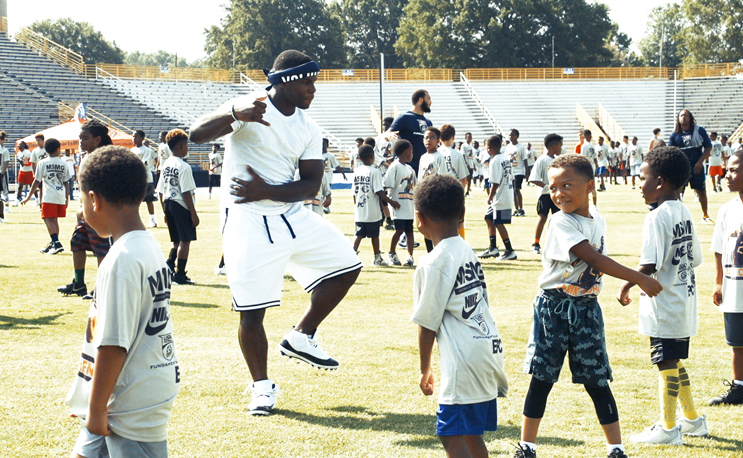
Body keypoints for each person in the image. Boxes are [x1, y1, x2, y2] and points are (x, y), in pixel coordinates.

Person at [189, 49, 362, 416]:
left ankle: (301, 335)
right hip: (247, 220)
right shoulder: (250, 107)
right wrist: (233, 114)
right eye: (306, 81)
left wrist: (267, 190)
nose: (312, 89)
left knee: (349, 265)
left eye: (314, 81)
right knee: (252, 313)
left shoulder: (308, 127)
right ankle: (261, 387)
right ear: (284, 81)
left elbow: (312, 185)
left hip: (291, 215)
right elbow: (196, 134)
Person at [514, 154, 663, 458]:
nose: (558, 194)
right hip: (553, 309)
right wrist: (639, 279)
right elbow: (594, 259)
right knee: (542, 377)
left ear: (590, 186)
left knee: (597, 379)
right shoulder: (559, 221)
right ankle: (526, 446)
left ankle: (615, 448)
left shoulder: (596, 217)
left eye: (567, 185)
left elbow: (594, 262)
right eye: (553, 188)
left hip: (586, 308)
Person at [66, 145, 179, 458]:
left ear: (94, 200)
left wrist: (97, 408)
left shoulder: (121, 260)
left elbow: (115, 344)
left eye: (80, 198)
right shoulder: (148, 246)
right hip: (132, 387)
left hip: (127, 402)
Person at [412, 174, 508, 458]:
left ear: (419, 217)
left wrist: (424, 368)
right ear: (463, 214)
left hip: (464, 361)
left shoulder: (432, 261)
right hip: (488, 349)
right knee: (470, 433)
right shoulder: (467, 250)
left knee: (450, 433)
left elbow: (427, 323)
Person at [618, 146, 708, 444]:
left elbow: (651, 262)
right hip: (685, 299)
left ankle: (668, 428)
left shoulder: (656, 217)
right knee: (674, 359)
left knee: (665, 362)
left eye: (642, 177)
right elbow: (695, 258)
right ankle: (693, 421)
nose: (638, 183)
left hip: (664, 302)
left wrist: (628, 282)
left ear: (659, 182)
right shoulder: (684, 210)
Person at [57, 120, 113, 299]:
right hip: (85, 212)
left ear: (97, 139)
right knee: (77, 244)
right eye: (80, 138)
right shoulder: (87, 156)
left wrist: (94, 206)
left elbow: (103, 186)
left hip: (98, 211)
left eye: (85, 138)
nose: (81, 141)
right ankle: (79, 284)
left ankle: (101, 288)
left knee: (101, 250)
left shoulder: (103, 157)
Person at [708, 149, 743, 406]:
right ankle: (740, 388)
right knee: (737, 343)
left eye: (733, 170)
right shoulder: (727, 209)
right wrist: (719, 281)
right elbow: (719, 249)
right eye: (727, 169)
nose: (727, 175)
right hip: (734, 287)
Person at [157, 129, 199, 285]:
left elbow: (160, 190)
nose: (187, 148)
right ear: (181, 146)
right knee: (185, 240)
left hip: (168, 202)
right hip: (180, 204)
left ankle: (169, 265)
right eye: (186, 145)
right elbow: (186, 192)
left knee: (176, 240)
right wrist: (193, 214)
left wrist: (164, 211)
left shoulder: (166, 163)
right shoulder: (184, 166)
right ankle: (180, 275)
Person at [352, 144, 399, 266]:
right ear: (372, 157)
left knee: (359, 234)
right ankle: (377, 257)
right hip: (372, 210)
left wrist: (356, 205)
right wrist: (391, 202)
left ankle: (351, 255)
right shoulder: (374, 172)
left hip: (360, 210)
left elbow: (354, 193)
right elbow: (378, 191)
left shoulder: (357, 171)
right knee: (375, 235)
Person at [21, 138, 70, 254]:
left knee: (47, 218)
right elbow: (66, 182)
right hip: (60, 195)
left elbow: (36, 181)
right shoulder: (63, 163)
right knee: (54, 220)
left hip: (49, 195)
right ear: (59, 149)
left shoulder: (42, 163)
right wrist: (67, 198)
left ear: (46, 150)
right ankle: (53, 243)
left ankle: (56, 242)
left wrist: (28, 197)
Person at [668, 109, 714, 223]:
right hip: (682, 167)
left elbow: (708, 147)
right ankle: (679, 217)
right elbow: (671, 151)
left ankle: (705, 216)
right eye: (681, 115)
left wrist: (700, 162)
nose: (683, 117)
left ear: (690, 118)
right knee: (677, 191)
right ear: (678, 118)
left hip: (696, 166)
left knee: (701, 191)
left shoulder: (699, 130)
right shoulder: (675, 134)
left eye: (686, 115)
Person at [479, 135, 516, 261]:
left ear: (488, 148)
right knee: (489, 218)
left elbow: (495, 182)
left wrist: (490, 197)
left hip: (501, 196)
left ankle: (510, 250)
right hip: (506, 193)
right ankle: (493, 248)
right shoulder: (504, 158)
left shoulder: (495, 161)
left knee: (498, 222)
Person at [384, 139, 416, 267]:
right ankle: (391, 252)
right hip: (398, 205)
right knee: (399, 229)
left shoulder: (410, 169)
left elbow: (415, 186)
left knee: (409, 231)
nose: (412, 154)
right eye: (411, 151)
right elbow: (387, 185)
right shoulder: (394, 166)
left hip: (408, 205)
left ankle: (410, 257)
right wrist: (391, 202)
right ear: (406, 152)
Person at [528, 133, 562, 255]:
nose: (561, 148)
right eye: (560, 145)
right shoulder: (542, 160)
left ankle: (557, 244)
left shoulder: (557, 160)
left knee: (558, 219)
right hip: (545, 195)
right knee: (543, 218)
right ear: (553, 146)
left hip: (556, 195)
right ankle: (536, 243)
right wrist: (548, 187)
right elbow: (533, 178)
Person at [389, 89, 433, 173]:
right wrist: (389, 136)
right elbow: (389, 133)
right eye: (429, 99)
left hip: (423, 167)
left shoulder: (428, 122)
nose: (431, 102)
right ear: (421, 100)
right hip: (406, 167)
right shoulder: (404, 117)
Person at [418, 127, 446, 252]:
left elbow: (442, 177)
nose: (428, 140)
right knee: (425, 226)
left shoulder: (439, 157)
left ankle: (438, 251)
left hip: (434, 196)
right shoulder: (423, 157)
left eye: (432, 138)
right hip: (424, 196)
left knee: (436, 226)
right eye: (426, 137)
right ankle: (430, 252)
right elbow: (420, 178)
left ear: (438, 140)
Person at [439, 124, 469, 239]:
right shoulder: (457, 154)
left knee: (441, 220)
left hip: (439, 190)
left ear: (440, 138)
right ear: (453, 137)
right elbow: (463, 178)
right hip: (453, 190)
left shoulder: (436, 153)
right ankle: (461, 241)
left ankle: (442, 240)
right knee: (459, 220)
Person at [131, 130, 158, 228]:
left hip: (146, 178)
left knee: (148, 200)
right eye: (133, 136)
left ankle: (153, 220)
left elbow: (143, 163)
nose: (134, 138)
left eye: (136, 137)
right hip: (135, 179)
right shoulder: (132, 150)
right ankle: (134, 220)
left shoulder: (147, 150)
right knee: (134, 201)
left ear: (142, 138)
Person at [507, 129, 528, 216]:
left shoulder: (521, 147)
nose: (511, 137)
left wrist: (527, 172)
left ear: (517, 136)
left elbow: (525, 160)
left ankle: (521, 208)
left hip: (519, 171)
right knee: (512, 191)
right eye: (510, 135)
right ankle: (516, 209)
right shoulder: (508, 147)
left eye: (513, 135)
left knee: (517, 189)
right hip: (510, 172)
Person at [321, 138, 346, 213]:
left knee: (327, 192)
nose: (322, 145)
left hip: (328, 177)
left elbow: (336, 165)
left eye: (324, 143)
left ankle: (327, 207)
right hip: (319, 177)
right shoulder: (316, 154)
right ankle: (321, 206)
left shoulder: (330, 156)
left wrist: (343, 173)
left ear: (327, 145)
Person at [580, 130, 598, 206]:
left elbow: (583, 157)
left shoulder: (584, 146)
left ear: (584, 136)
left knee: (584, 186)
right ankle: (595, 205)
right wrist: (596, 165)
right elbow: (594, 157)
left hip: (586, 167)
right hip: (592, 166)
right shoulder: (592, 145)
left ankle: (585, 204)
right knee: (592, 186)